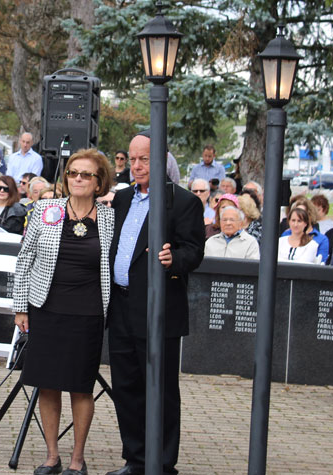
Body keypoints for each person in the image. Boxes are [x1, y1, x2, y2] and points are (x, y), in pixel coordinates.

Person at [106, 132, 204, 475]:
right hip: (120, 306)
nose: (136, 165)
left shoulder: (184, 201)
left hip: (158, 309)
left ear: (161, 159)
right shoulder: (120, 199)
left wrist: (172, 259)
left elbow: (194, 251)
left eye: (144, 159)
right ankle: (135, 460)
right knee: (126, 387)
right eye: (132, 159)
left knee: (160, 390)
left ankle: (161, 464)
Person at [13, 148, 114, 475]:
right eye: (73, 173)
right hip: (46, 308)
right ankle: (52, 456)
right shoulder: (45, 209)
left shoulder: (112, 216)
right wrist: (20, 308)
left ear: (99, 182)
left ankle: (77, 460)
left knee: (81, 386)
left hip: (89, 314)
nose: (78, 179)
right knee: (47, 383)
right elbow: (24, 260)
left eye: (86, 174)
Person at [280, 196, 329, 263]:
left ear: (309, 215)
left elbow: (321, 263)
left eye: (300, 218)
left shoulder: (320, 240)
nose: (296, 224)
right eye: (293, 219)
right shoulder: (285, 237)